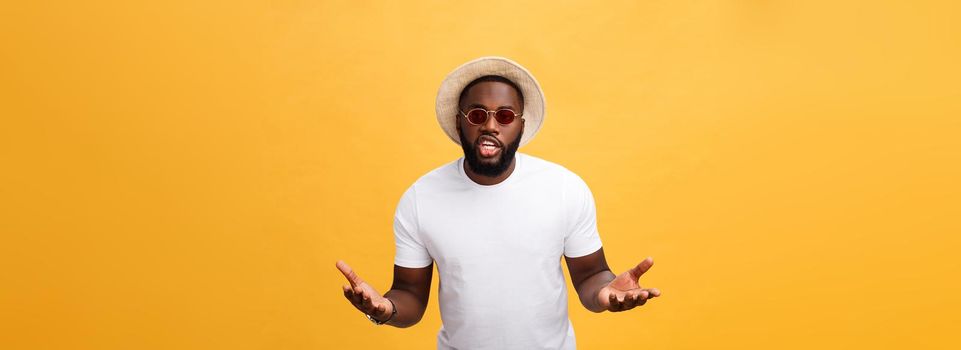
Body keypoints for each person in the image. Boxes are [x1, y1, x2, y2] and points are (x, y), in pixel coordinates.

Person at [336, 56, 661, 349]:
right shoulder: (421, 199)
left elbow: (591, 276)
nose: (490, 125)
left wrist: (607, 294)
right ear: (460, 120)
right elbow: (408, 295)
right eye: (478, 114)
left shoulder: (564, 188)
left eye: (504, 116)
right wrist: (383, 310)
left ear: (521, 124)